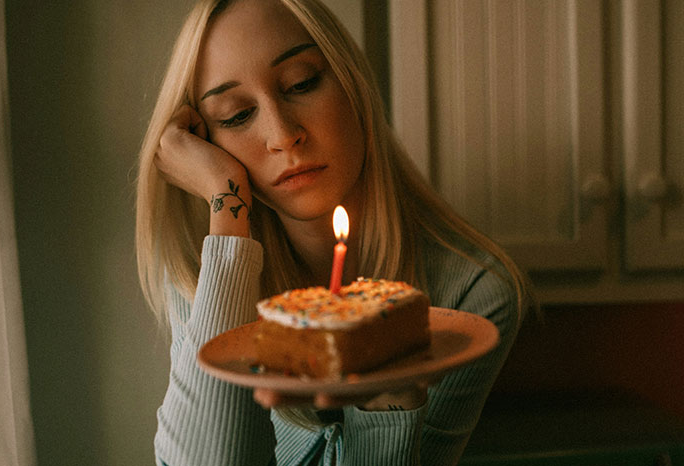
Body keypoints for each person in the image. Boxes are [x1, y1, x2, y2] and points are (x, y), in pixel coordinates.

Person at [135, 0, 531, 464]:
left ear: (352, 85)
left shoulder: (472, 294)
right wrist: (227, 207)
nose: (282, 134)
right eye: (236, 114)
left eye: (301, 84)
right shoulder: (200, 269)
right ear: (206, 139)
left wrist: (391, 402)